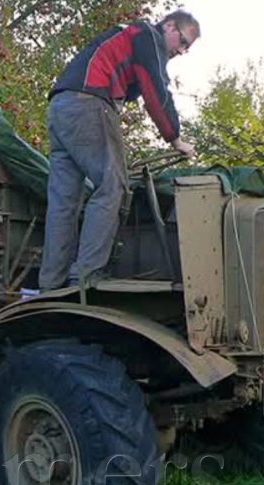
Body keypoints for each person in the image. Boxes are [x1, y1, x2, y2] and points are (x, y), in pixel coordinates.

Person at [39, 10, 199, 290]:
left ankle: (50, 283)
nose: (182, 51)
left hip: (60, 108)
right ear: (169, 25)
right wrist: (175, 138)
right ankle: (86, 276)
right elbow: (156, 90)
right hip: (88, 103)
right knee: (113, 187)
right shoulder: (148, 36)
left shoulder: (128, 36)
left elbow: (136, 85)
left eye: (187, 48)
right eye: (183, 42)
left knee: (64, 201)